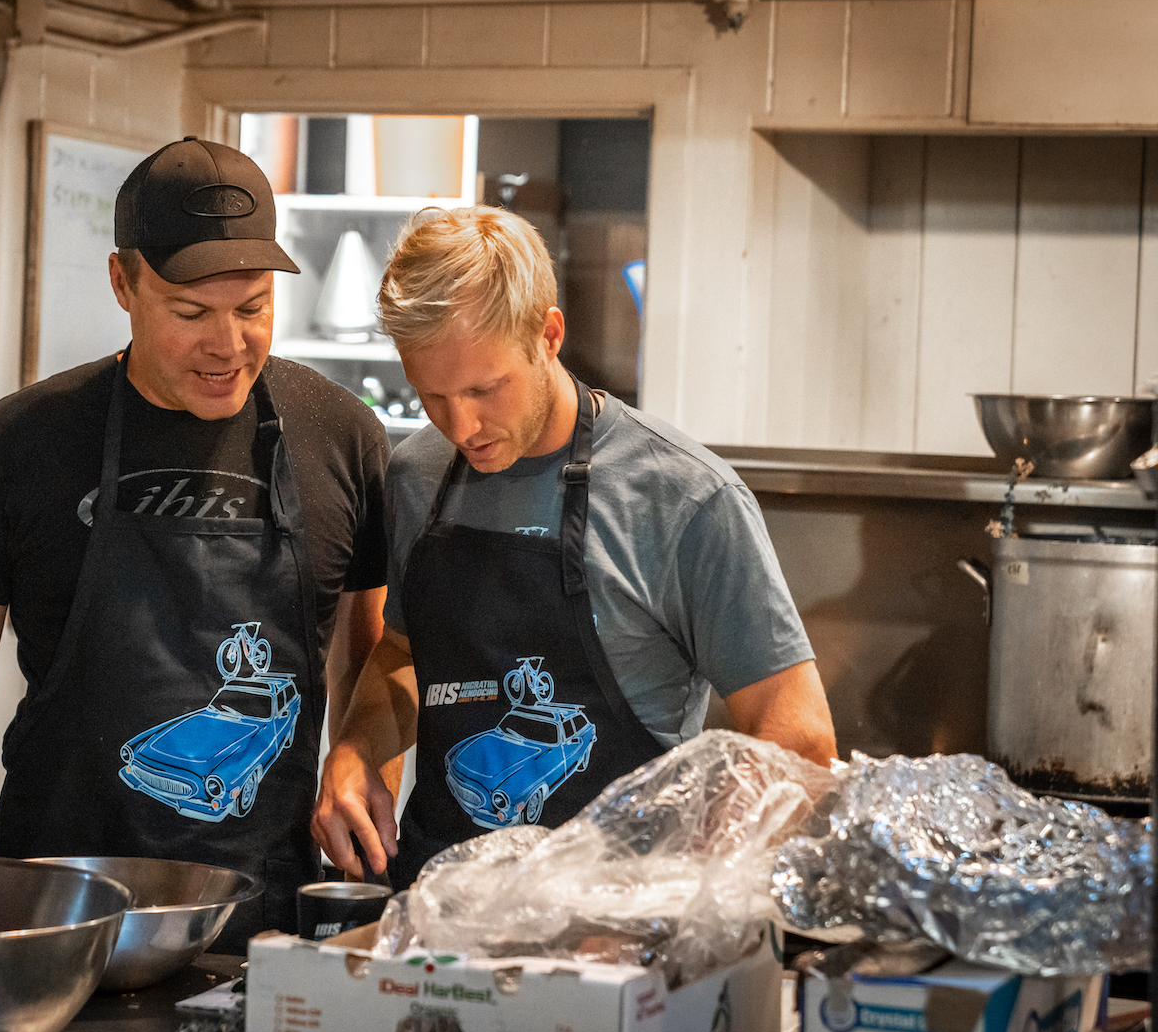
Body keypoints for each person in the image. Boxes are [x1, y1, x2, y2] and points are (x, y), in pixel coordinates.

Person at [0, 137, 389, 948]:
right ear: (122, 283)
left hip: (263, 914)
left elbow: (366, 653)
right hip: (54, 905)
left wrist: (356, 774)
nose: (228, 344)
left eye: (252, 308)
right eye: (191, 313)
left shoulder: (341, 437)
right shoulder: (22, 441)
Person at [312, 206, 837, 888]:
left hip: (610, 929)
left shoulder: (683, 499)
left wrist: (694, 884)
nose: (461, 424)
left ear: (548, 334)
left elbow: (797, 737)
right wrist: (356, 746)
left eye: (484, 388)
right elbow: (406, 655)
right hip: (440, 909)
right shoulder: (418, 476)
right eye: (431, 394)